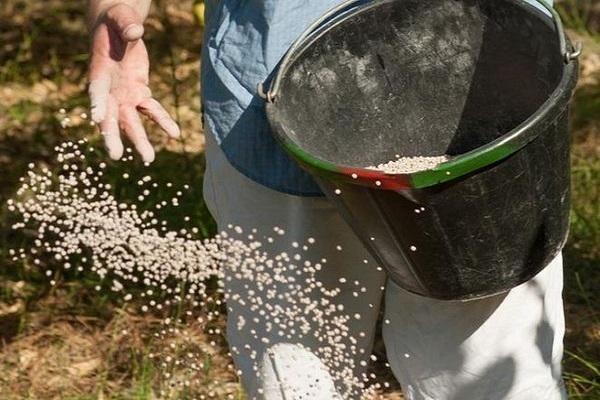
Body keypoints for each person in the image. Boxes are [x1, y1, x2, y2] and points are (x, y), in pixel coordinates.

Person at [87, 0, 567, 398]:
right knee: (298, 370)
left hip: (486, 85)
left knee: (492, 376)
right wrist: (116, 8)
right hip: (274, 87)